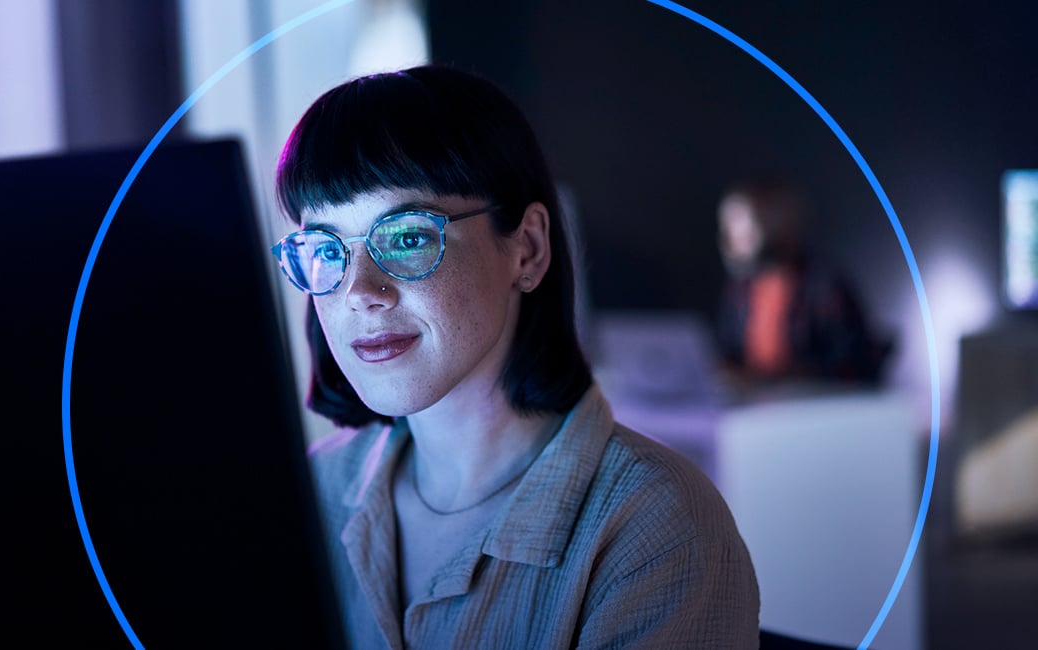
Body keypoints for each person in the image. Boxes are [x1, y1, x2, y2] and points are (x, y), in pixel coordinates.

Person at [271, 64, 759, 649]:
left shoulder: (655, 530)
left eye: (406, 236)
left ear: (526, 249)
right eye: (326, 248)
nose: (358, 292)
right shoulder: (310, 493)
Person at [714, 176, 891, 389]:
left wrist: (786, 377)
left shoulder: (824, 286)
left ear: (777, 221)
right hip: (754, 408)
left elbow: (852, 365)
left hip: (812, 409)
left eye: (741, 224)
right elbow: (729, 352)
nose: (731, 237)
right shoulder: (740, 291)